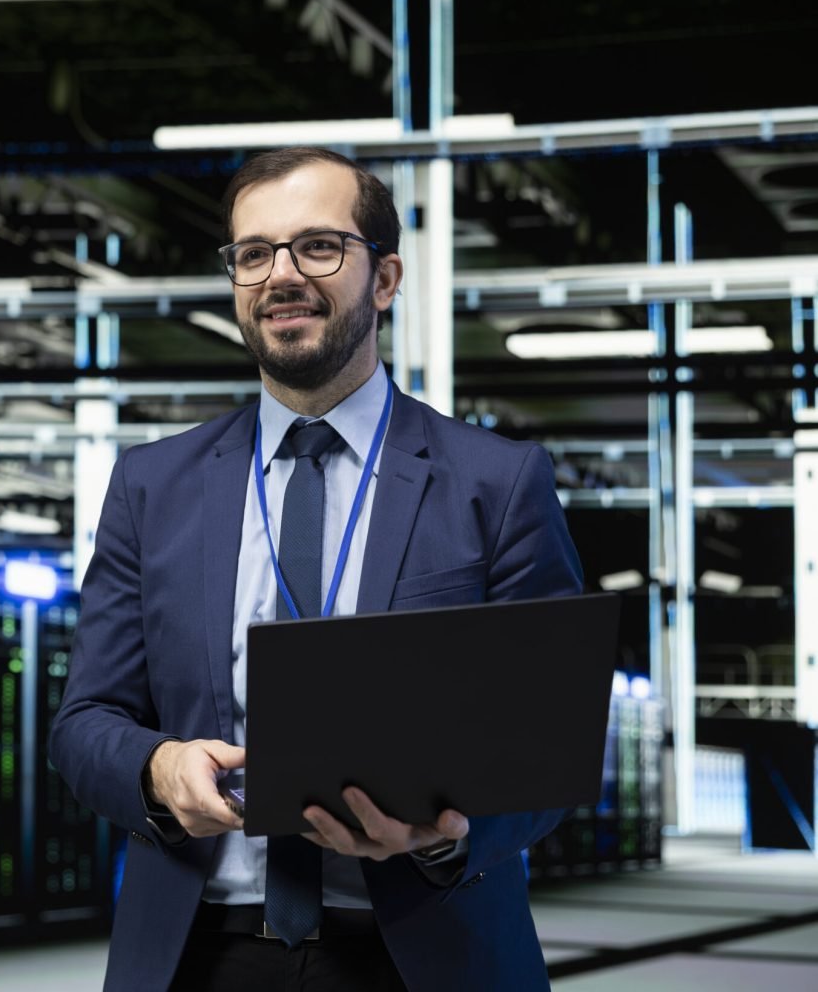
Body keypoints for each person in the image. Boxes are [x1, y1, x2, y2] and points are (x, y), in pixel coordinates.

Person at [48, 147, 583, 992]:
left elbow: (551, 736)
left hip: (420, 953)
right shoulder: (151, 486)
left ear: (385, 278)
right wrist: (155, 771)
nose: (281, 275)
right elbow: (84, 722)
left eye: (319, 247)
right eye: (254, 253)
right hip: (199, 953)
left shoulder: (495, 482)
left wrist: (442, 832)